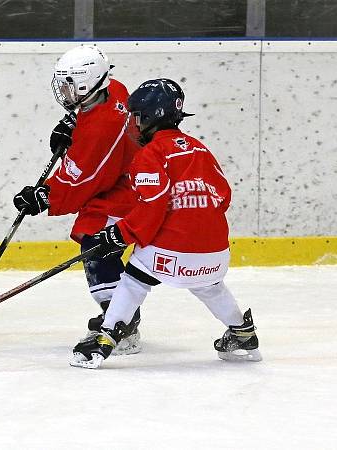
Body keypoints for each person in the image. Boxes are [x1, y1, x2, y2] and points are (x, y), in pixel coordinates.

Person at [70, 78, 262, 369]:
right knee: (211, 288)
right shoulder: (200, 149)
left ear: (150, 118)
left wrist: (116, 235)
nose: (132, 124)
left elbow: (152, 207)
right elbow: (222, 196)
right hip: (216, 256)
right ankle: (242, 332)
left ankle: (106, 338)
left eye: (136, 117)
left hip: (171, 256)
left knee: (134, 280)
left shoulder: (150, 155)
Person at [12, 45, 142, 355]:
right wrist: (76, 122)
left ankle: (122, 323)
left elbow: (81, 181)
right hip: (124, 180)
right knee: (96, 238)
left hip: (129, 191)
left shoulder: (101, 128)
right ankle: (121, 314)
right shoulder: (114, 90)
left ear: (86, 83)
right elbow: (91, 143)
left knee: (96, 243)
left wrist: (44, 196)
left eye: (69, 84)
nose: (63, 90)